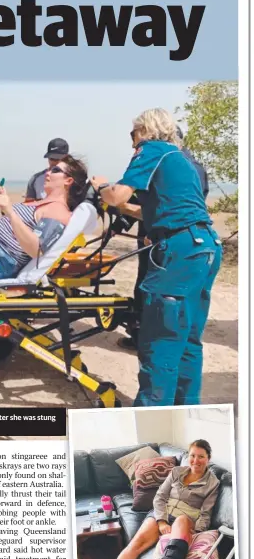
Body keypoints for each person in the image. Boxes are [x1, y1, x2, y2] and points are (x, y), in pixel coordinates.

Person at [91, 108, 222, 407]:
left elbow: (117, 196)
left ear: (146, 130)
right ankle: (187, 412)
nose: (131, 143)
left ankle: (148, 422)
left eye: (133, 134)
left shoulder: (151, 150)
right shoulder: (182, 160)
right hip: (205, 247)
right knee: (187, 339)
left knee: (159, 340)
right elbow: (151, 210)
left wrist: (100, 186)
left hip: (181, 253)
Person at [80, 440, 220, 559]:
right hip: (162, 514)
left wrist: (192, 530)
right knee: (136, 544)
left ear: (208, 458)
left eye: (201, 456)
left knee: (183, 519)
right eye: (192, 455)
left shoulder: (213, 483)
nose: (196, 460)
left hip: (186, 520)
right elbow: (160, 497)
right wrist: (161, 521)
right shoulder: (177, 472)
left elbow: (206, 515)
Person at [118, 123, 210, 351]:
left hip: (163, 236)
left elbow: (147, 200)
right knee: (187, 302)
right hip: (192, 239)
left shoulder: (160, 159)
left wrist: (120, 206)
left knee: (152, 288)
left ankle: (143, 336)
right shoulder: (194, 167)